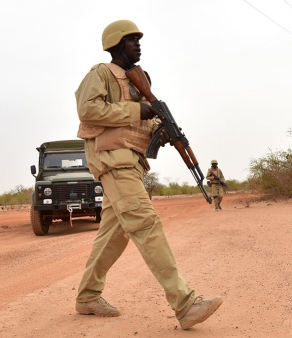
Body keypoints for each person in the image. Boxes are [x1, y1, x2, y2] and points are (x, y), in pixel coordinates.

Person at [73, 20, 222, 329]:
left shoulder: (136, 83)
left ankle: (88, 296)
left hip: (130, 162)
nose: (138, 44)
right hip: (113, 161)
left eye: (139, 40)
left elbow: (136, 122)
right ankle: (185, 303)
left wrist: (159, 129)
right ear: (115, 45)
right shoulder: (100, 73)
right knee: (146, 224)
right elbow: (88, 111)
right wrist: (138, 111)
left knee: (113, 235)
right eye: (131, 40)